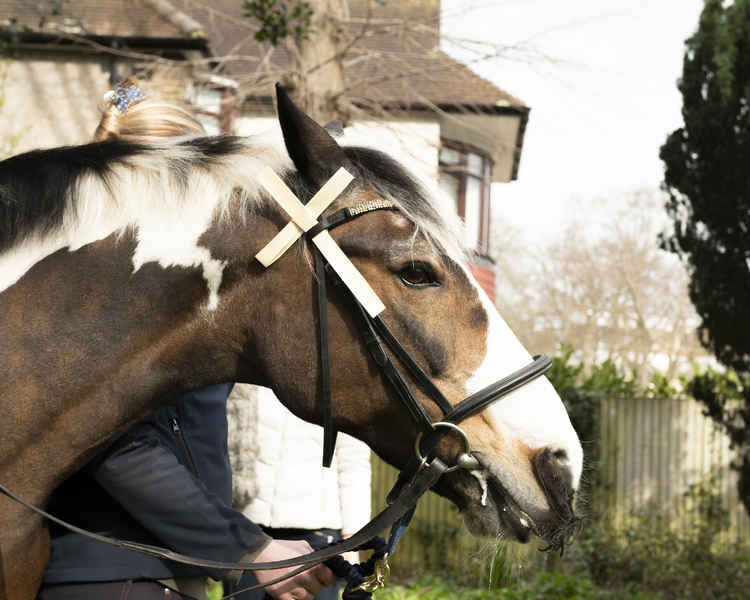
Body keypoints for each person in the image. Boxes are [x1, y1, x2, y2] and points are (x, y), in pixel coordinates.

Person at [38, 80, 337, 600]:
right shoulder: (104, 287)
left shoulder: (153, 282)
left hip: (159, 574)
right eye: (201, 175)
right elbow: (116, 447)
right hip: (115, 578)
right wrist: (249, 550)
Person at [227, 385, 372, 600]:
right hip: (250, 528)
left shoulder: (340, 379)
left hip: (318, 533)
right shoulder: (245, 372)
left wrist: (353, 540)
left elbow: (354, 461)